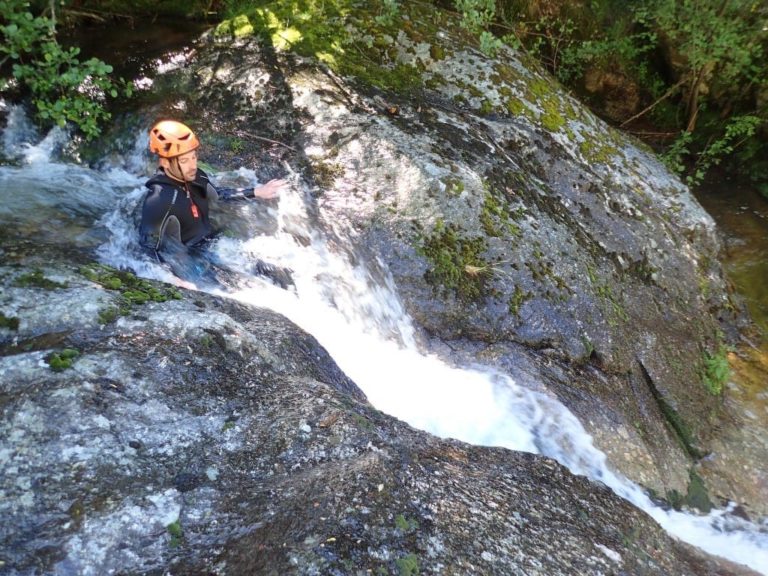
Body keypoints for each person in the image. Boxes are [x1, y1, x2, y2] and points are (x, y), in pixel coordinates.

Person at [139, 120, 291, 288]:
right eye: (184, 161)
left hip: (212, 243)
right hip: (190, 260)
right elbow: (147, 250)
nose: (193, 165)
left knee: (270, 270)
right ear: (165, 163)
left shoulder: (197, 176)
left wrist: (256, 192)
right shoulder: (159, 201)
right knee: (247, 288)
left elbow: (218, 194)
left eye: (194, 157)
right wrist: (170, 278)